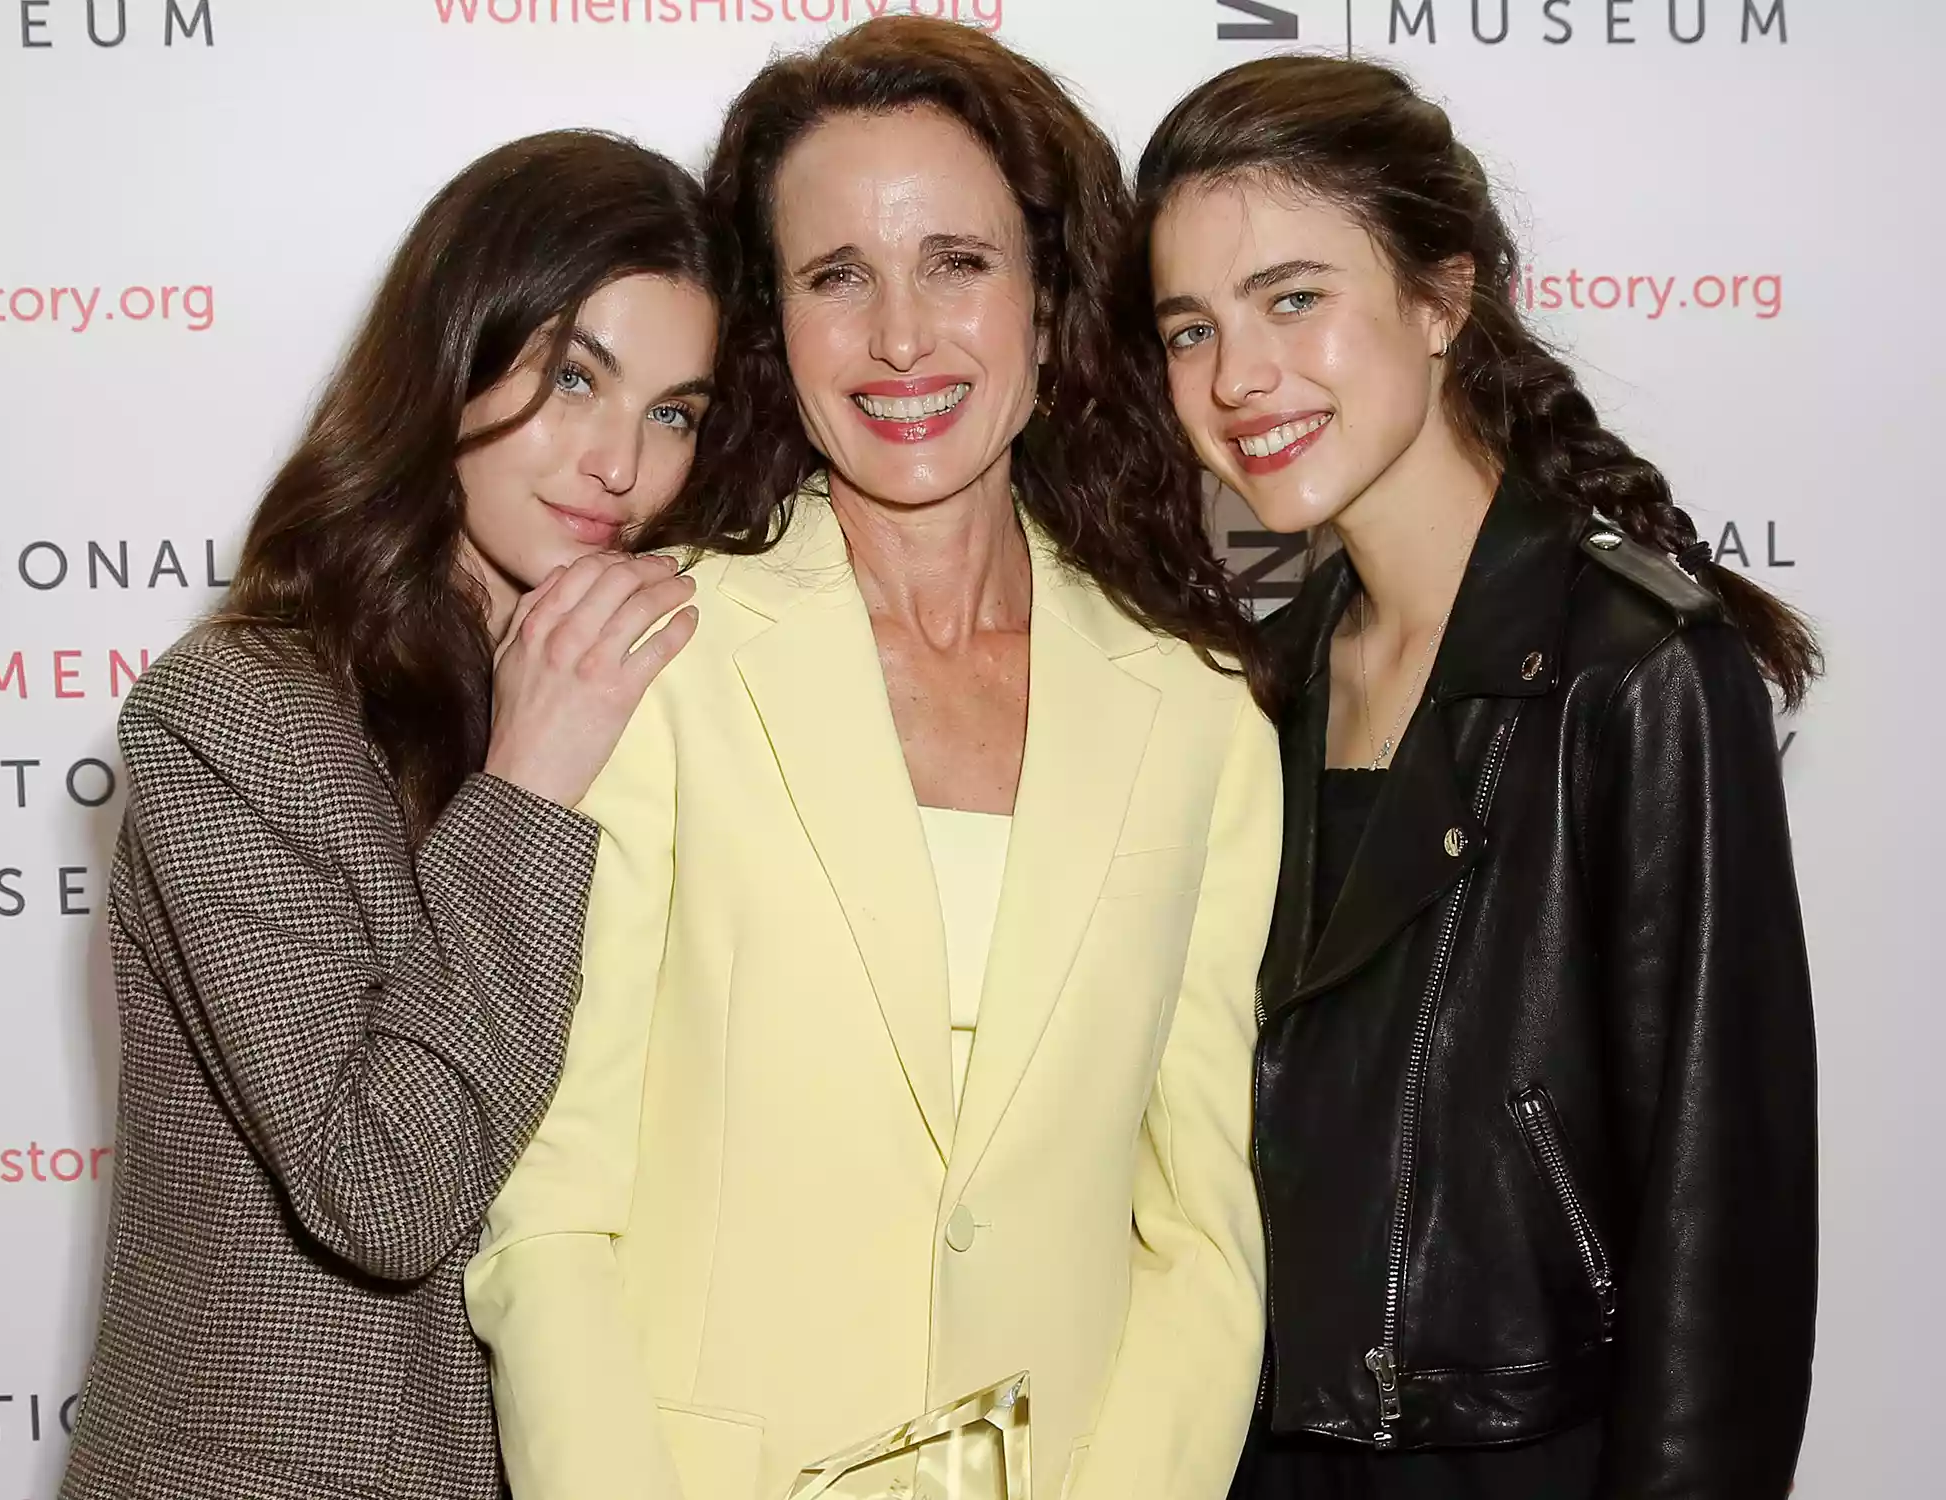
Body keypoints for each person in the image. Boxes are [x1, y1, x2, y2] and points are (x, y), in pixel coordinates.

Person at [464, 19, 1281, 1500]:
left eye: (958, 263)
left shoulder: (1202, 716)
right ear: (775, 329)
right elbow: (552, 1217)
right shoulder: (658, 660)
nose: (902, 337)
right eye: (839, 276)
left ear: (1049, 305)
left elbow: (1202, 1235)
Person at [1131, 55, 1819, 1500]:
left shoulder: (1635, 673)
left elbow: (1725, 1233)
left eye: (1295, 297)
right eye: (1189, 326)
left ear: (1444, 297)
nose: (1237, 377)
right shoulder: (1249, 687)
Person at [59, 130, 718, 1500]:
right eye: (573, 377)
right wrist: (530, 785)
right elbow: (384, 1186)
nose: (618, 464)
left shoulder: (665, 701)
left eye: (674, 413)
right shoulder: (237, 714)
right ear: (450, 351)